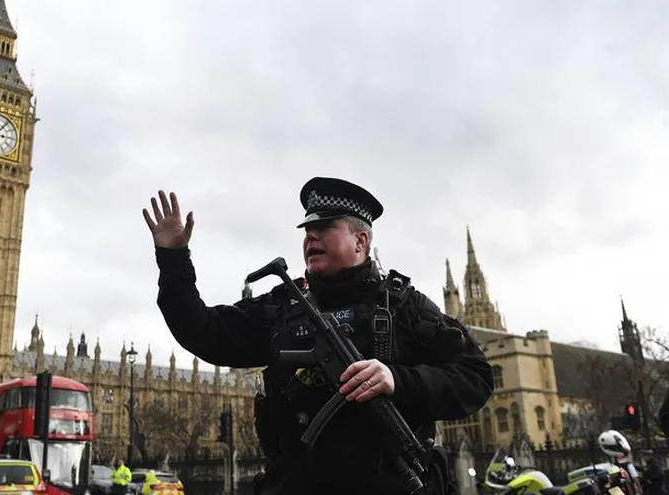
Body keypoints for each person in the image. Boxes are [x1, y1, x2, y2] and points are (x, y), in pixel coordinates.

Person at [143, 177, 495, 495]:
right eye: (307, 230)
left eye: (325, 228)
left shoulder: (403, 306)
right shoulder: (283, 307)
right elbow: (202, 331)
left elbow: (475, 377)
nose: (311, 237)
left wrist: (399, 380)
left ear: (361, 241)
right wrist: (173, 257)